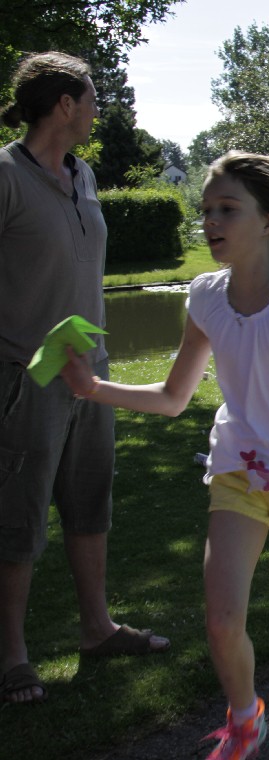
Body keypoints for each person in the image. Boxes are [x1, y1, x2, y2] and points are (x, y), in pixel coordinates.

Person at [61, 151, 269, 758]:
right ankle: (245, 719)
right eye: (206, 210)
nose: (210, 221)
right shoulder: (204, 297)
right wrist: (93, 388)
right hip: (237, 469)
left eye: (227, 209)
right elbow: (174, 397)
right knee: (222, 619)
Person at [0, 51, 170, 705]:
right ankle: (12, 656)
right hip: (23, 377)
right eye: (93, 99)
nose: (99, 111)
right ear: (65, 105)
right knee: (18, 515)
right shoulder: (6, 176)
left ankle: (97, 629)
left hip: (90, 374)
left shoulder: (86, 174)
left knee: (90, 502)